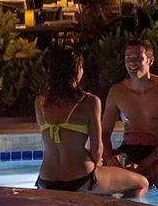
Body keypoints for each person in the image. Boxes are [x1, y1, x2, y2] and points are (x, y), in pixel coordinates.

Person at [35, 45, 147, 198]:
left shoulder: (40, 102)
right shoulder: (89, 101)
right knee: (141, 183)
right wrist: (97, 165)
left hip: (46, 180)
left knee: (104, 189)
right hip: (80, 179)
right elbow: (97, 148)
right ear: (77, 70)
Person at [102, 38, 158, 192]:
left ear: (150, 61)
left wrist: (143, 165)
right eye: (128, 58)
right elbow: (104, 133)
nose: (132, 62)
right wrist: (109, 158)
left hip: (157, 150)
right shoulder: (117, 91)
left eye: (138, 58)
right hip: (129, 148)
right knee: (99, 184)